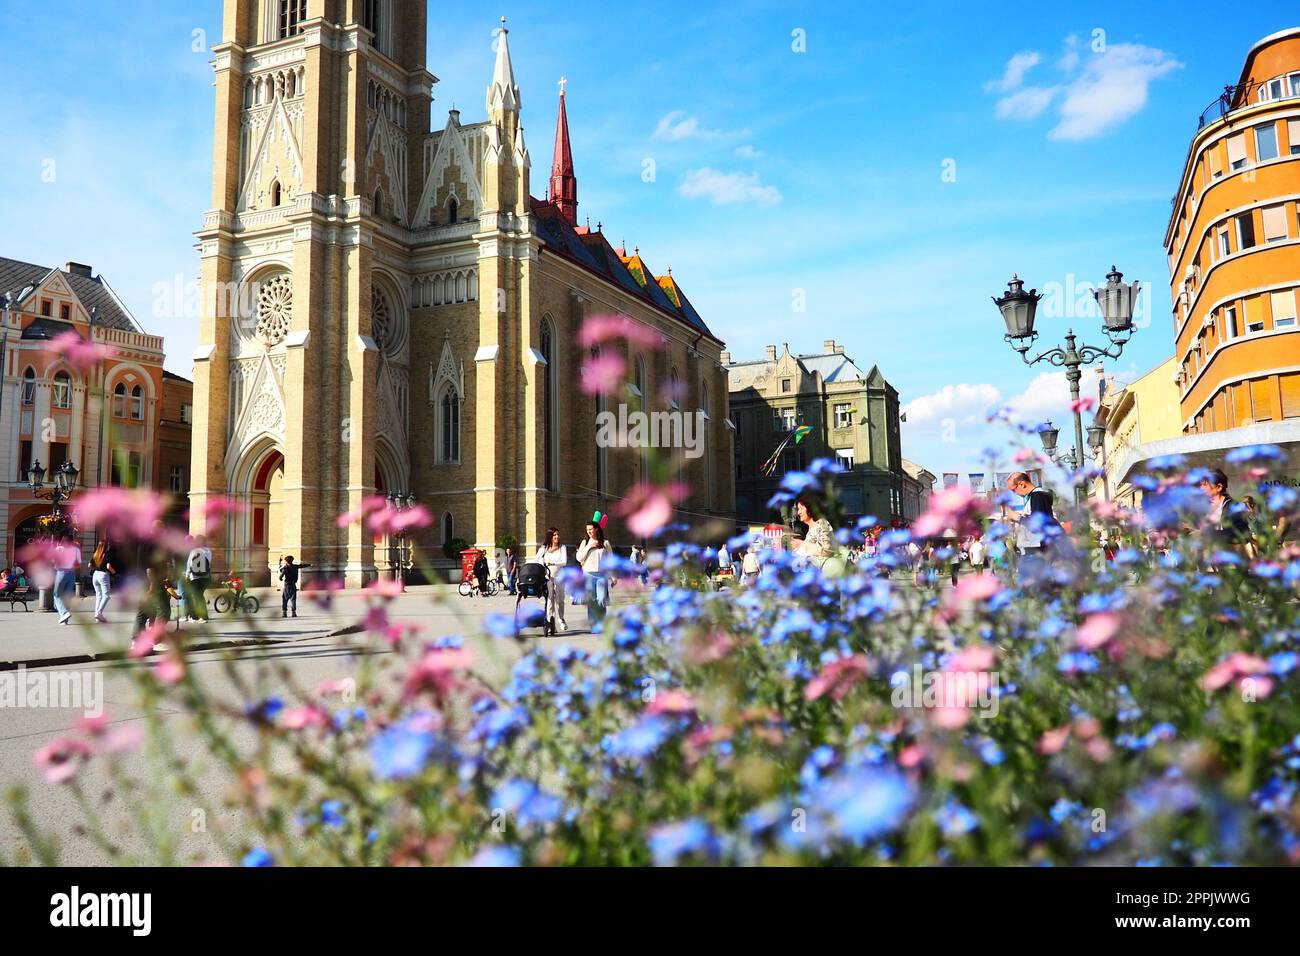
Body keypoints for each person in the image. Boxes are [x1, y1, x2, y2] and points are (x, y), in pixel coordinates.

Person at [1003, 472, 1059, 578]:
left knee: (1029, 587)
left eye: (1013, 489)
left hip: (1035, 551)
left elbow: (1038, 524)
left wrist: (1016, 517)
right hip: (1034, 551)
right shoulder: (1035, 497)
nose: (1015, 493)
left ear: (1022, 484)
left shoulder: (1037, 496)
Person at [1199, 468, 1252, 550]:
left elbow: (1244, 534)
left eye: (1205, 485)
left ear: (1219, 487)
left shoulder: (1233, 507)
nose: (1200, 488)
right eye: (1200, 485)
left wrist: (1209, 534)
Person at [577, 521, 614, 624]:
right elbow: (579, 558)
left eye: (590, 529)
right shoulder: (585, 543)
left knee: (601, 599)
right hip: (588, 574)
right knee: (592, 600)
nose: (588, 531)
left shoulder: (605, 542)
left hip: (602, 575)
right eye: (587, 530)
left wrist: (613, 576)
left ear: (596, 529)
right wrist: (589, 546)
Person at [533, 528, 568, 632]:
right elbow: (536, 559)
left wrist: (551, 563)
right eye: (554, 535)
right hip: (548, 577)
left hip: (560, 576)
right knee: (549, 600)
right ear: (550, 537)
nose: (557, 537)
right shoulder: (544, 548)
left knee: (560, 600)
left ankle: (561, 619)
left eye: (558, 534)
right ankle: (549, 622)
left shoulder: (562, 547)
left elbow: (564, 562)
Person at [794, 496, 834, 569]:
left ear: (810, 509)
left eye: (801, 508)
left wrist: (802, 544)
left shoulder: (821, 523)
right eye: (798, 509)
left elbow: (827, 550)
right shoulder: (811, 528)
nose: (798, 512)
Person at [52, 535, 83, 626]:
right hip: (71, 573)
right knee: (67, 596)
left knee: (57, 595)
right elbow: (78, 564)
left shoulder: (58, 549)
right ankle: (64, 619)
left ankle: (64, 613)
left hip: (61, 572)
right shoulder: (76, 549)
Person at [184, 535, 213, 621]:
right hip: (205, 576)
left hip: (195, 577)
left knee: (197, 596)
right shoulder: (208, 551)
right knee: (199, 596)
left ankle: (202, 616)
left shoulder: (194, 551)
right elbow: (209, 563)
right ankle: (197, 615)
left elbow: (189, 564)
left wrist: (187, 575)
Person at [88, 539, 118, 623]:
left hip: (95, 575)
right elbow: (108, 567)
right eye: (107, 545)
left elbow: (89, 565)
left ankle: (97, 614)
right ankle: (99, 613)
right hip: (103, 575)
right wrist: (114, 573)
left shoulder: (95, 554)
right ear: (104, 546)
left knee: (99, 595)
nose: (109, 546)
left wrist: (96, 567)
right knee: (106, 595)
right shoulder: (107, 555)